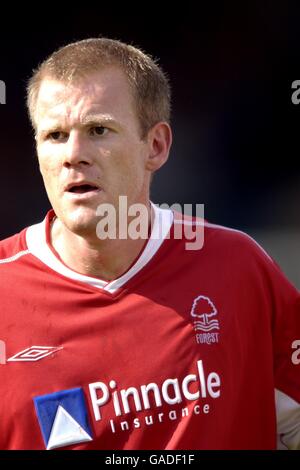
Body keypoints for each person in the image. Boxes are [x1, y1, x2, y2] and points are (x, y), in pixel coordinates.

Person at [0, 37, 299, 451]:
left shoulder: (237, 266)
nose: (73, 155)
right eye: (54, 135)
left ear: (155, 146)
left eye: (98, 130)